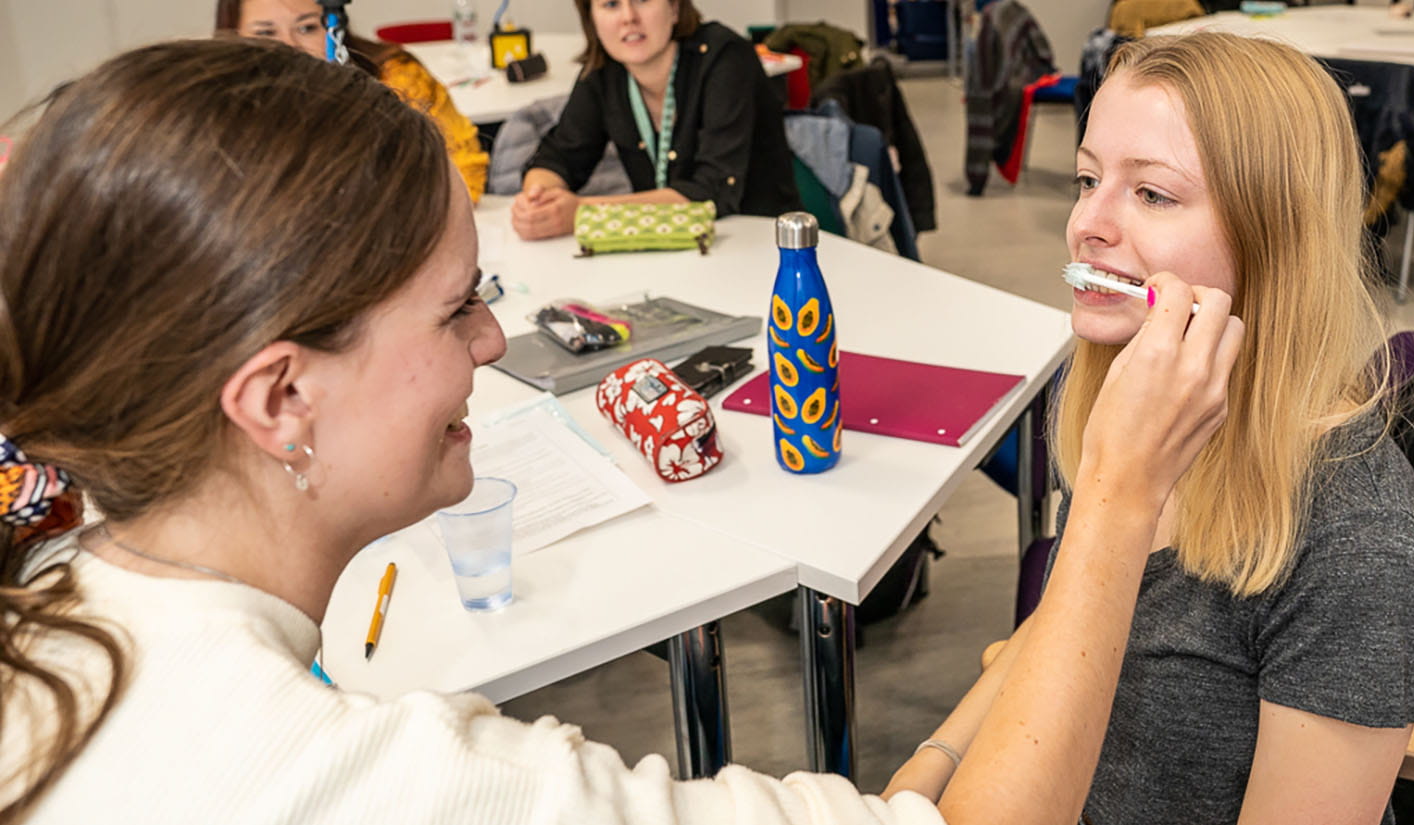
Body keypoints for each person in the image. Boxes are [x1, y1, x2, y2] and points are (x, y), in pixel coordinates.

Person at [0, 38, 1242, 824]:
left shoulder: (61, 610)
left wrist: (917, 783)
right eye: (458, 307)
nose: (496, 344)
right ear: (280, 400)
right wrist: (1119, 495)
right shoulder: (376, 785)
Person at [989, 33, 1414, 825]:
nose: (1086, 224)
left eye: (1151, 194)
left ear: (1274, 236)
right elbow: (1048, 636)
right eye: (1087, 179)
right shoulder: (1129, 413)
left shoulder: (1360, 539)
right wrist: (928, 773)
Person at [512, 0, 800, 240]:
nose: (628, 18)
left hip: (758, 246)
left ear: (674, 7)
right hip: (668, 247)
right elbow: (559, 155)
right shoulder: (605, 72)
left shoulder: (725, 56)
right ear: (592, 20)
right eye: (610, 4)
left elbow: (713, 192)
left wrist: (581, 213)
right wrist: (539, 199)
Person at [216, 0, 490, 202]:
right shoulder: (221, 110)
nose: (290, 46)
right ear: (232, 38)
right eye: (265, 33)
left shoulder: (395, 81)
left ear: (336, 27)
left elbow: (465, 176)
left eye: (308, 27)